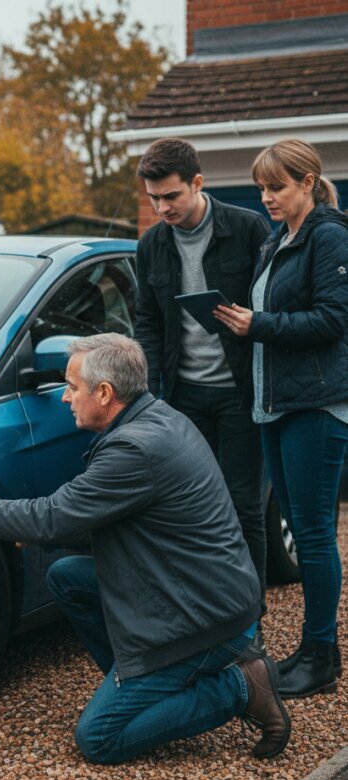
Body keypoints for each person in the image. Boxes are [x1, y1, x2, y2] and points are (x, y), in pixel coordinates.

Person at [0, 334, 290, 765]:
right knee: (67, 577)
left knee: (99, 738)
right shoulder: (155, 418)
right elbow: (115, 522)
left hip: (204, 619)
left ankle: (242, 686)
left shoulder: (134, 449)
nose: (64, 397)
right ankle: (146, 686)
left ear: (105, 393)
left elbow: (54, 515)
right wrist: (41, 530)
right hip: (193, 589)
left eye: (73, 387)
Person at [214, 139, 348, 699]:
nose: (266, 197)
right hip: (273, 405)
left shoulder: (330, 236)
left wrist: (259, 325)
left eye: (277, 187)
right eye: (262, 187)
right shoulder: (278, 240)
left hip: (314, 406)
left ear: (308, 182)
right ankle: (315, 651)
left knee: (312, 534)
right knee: (299, 523)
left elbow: (334, 321)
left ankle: (320, 656)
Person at [134, 138, 272, 609]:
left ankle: (249, 616)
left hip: (240, 394)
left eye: (171, 196)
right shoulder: (151, 244)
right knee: (190, 507)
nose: (162, 208)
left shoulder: (248, 227)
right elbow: (147, 322)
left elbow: (273, 304)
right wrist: (151, 395)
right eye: (154, 199)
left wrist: (251, 321)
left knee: (243, 506)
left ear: (197, 183)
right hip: (183, 398)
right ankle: (206, 611)